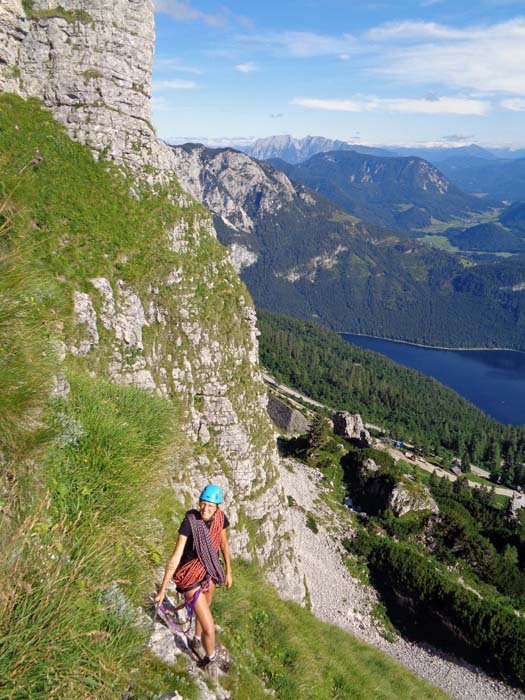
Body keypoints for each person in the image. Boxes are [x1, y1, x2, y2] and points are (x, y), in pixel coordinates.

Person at [154, 484, 233, 674]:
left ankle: (196, 640)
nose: (205, 509)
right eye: (203, 504)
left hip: (210, 571)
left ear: (217, 508)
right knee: (210, 628)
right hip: (189, 576)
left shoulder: (220, 519)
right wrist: (163, 590)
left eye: (210, 506)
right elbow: (175, 557)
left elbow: (223, 543)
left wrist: (229, 571)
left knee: (205, 607)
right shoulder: (190, 522)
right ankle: (210, 659)